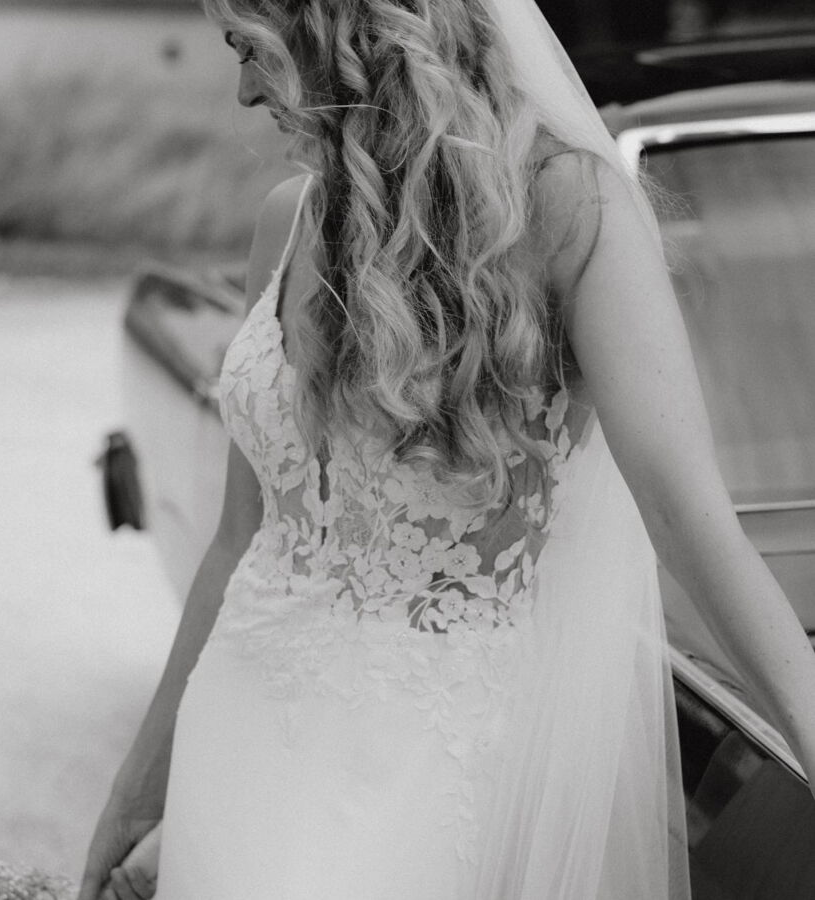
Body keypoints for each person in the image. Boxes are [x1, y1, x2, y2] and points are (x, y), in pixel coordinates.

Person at [79, 1, 815, 898]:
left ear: (336, 26)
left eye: (249, 49)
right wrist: (137, 789)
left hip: (421, 781)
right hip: (233, 739)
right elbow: (242, 538)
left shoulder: (570, 213)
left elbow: (686, 517)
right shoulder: (289, 220)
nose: (242, 92)